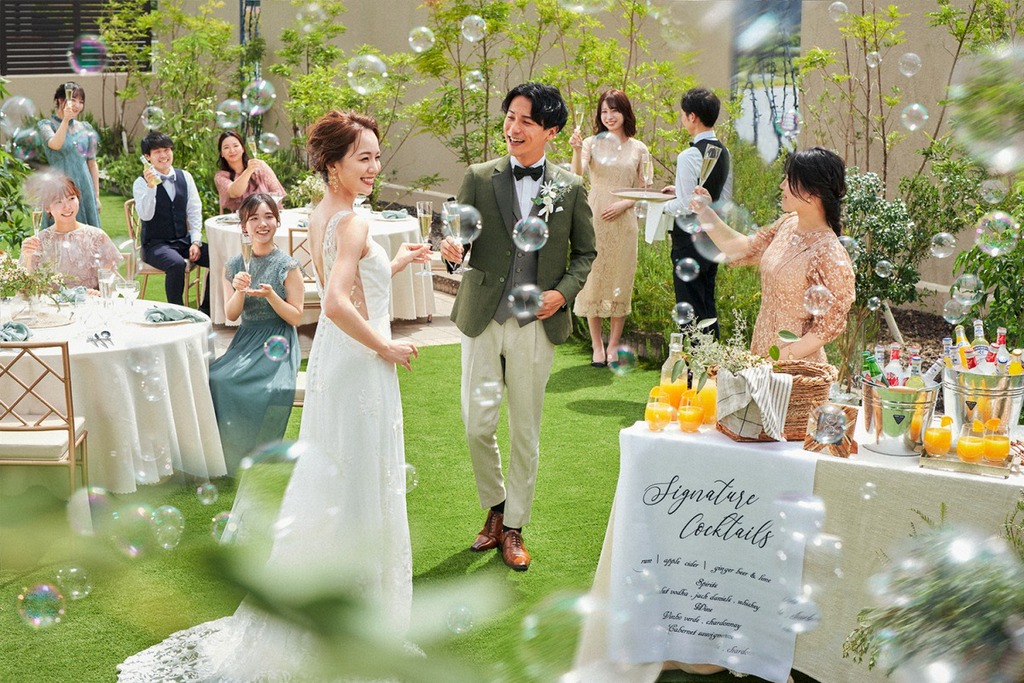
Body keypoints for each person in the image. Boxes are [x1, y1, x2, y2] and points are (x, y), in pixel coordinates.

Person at [117, 111, 430, 682]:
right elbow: (335, 302)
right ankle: (355, 618)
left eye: (376, 157)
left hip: (338, 357)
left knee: (336, 479)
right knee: (359, 479)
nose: (375, 167)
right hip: (360, 362)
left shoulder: (325, 212)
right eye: (363, 158)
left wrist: (398, 261)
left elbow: (351, 284)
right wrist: (385, 346)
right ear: (333, 165)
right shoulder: (353, 222)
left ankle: (325, 605)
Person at [440, 82, 596, 571]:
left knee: (525, 430)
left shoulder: (570, 187)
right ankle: (496, 504)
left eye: (527, 121)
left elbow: (585, 253)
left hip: (535, 323)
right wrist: (451, 251)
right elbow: (459, 239)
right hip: (483, 316)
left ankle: (513, 527)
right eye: (510, 117)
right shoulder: (478, 177)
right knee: (476, 425)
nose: (514, 127)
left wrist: (562, 293)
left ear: (551, 131)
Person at [691, 147, 855, 363]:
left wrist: (774, 360)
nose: (782, 185)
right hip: (762, 353)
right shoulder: (787, 224)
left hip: (795, 367)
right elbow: (740, 248)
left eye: (789, 180)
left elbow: (826, 328)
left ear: (811, 192)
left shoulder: (829, 252)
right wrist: (704, 212)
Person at [208, 193, 303, 475]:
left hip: (279, 340)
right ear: (244, 227)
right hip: (247, 340)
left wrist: (272, 296)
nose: (263, 224)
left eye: (269, 217)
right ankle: (225, 453)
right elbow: (231, 315)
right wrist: (239, 290)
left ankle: (257, 453)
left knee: (266, 388)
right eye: (254, 218)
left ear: (277, 221)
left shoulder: (288, 266)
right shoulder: (233, 266)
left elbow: (295, 317)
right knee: (217, 378)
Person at [569, 89, 650, 367]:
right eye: (604, 111)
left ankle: (613, 344)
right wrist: (576, 150)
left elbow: (646, 188)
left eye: (614, 110)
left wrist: (624, 204)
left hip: (624, 222)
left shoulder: (639, 148)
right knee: (593, 280)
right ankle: (597, 346)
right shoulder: (590, 143)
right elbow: (577, 174)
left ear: (625, 112)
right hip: (594, 217)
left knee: (620, 280)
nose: (609, 116)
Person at [661, 87, 732, 338]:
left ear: (692, 117)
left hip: (688, 239)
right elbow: (723, 199)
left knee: (690, 305)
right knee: (706, 302)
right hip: (713, 237)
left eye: (683, 114)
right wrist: (680, 192)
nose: (682, 118)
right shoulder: (724, 151)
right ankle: (712, 357)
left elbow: (684, 204)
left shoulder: (688, 155)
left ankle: (696, 358)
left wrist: (660, 206)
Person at [131, 131, 210, 313]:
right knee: (176, 264)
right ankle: (177, 313)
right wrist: (151, 187)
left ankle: (206, 309)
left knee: (217, 256)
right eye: (157, 152)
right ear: (147, 157)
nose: (163, 155)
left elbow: (194, 211)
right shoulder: (140, 183)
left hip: (183, 240)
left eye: (166, 150)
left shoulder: (185, 177)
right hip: (155, 245)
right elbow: (146, 215)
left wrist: (195, 242)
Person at [19, 175, 121, 291]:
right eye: (58, 201)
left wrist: (99, 294)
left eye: (71, 198)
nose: (67, 207)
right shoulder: (38, 242)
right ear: (47, 207)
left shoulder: (96, 237)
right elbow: (25, 291)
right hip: (50, 303)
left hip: (89, 302)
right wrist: (28, 258)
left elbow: (112, 282)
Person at [37, 82, 101, 229]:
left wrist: (96, 196)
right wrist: (65, 120)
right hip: (60, 189)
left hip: (85, 187)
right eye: (74, 100)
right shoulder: (46, 125)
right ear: (61, 100)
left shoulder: (85, 127)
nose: (77, 105)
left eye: (81, 101)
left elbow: (92, 163)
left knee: (88, 234)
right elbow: (55, 144)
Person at [214, 131, 287, 214]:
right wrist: (248, 171)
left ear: (243, 149)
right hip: (239, 220)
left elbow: (277, 194)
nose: (232, 150)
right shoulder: (220, 176)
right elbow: (235, 193)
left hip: (268, 216)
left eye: (236, 146)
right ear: (221, 153)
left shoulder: (261, 166)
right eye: (226, 147)